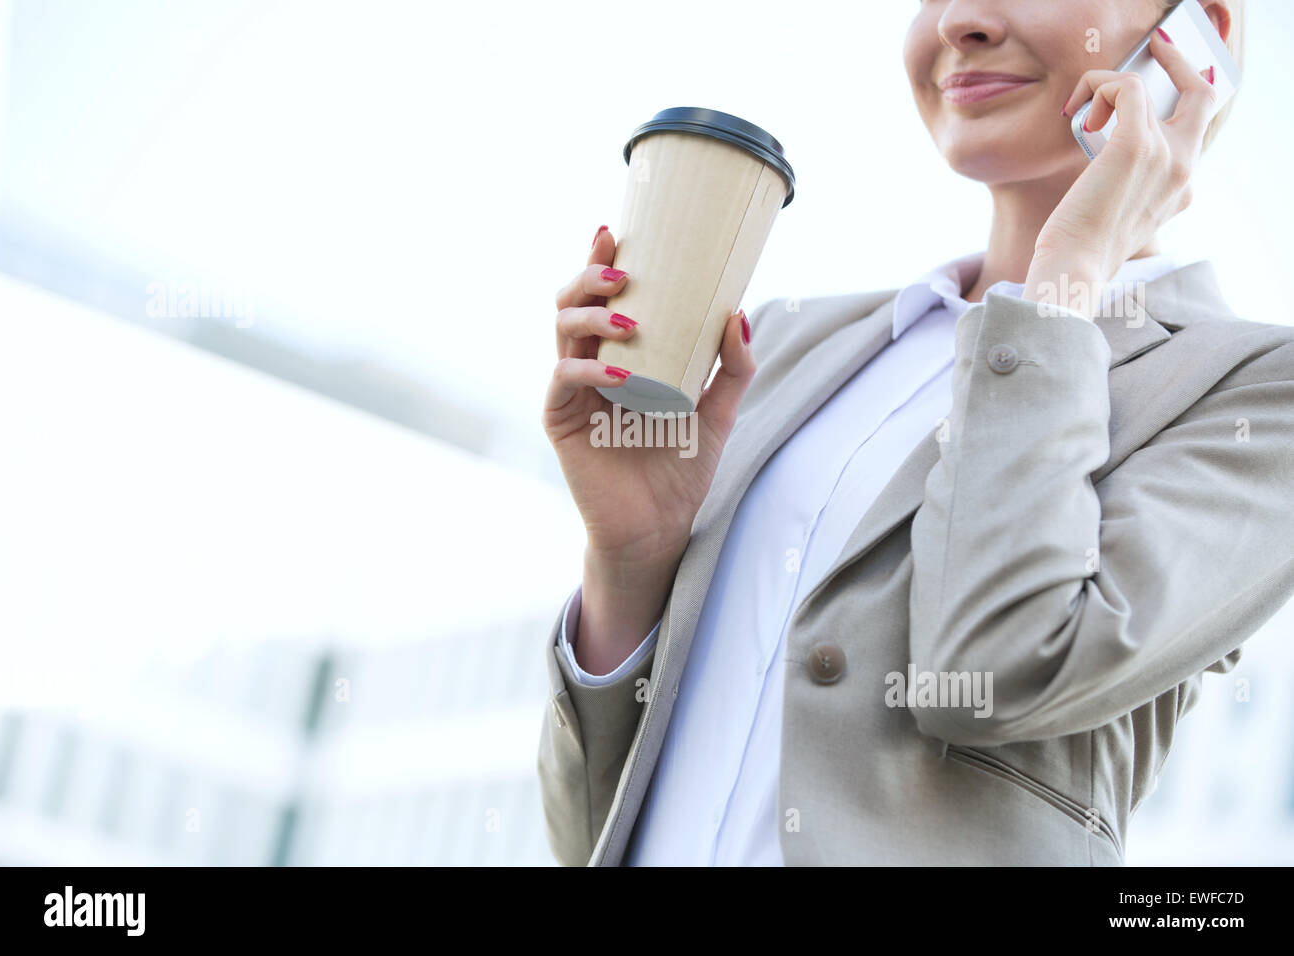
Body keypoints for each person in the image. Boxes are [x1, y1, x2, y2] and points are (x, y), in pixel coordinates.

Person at [538, 0, 1289, 865]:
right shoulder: (784, 344)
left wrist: (1066, 282)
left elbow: (999, 670)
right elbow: (589, 833)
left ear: (1198, 34)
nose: (960, 20)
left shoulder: (1253, 394)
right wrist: (628, 561)